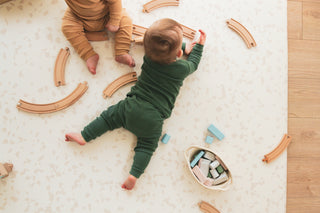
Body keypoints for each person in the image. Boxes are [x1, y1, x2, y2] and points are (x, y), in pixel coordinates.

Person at [65, 18, 206, 190]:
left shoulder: (148, 58)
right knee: (146, 147)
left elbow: (159, 48)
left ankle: (84, 135)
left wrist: (182, 46)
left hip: (131, 106)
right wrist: (198, 47)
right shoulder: (182, 68)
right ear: (178, 54)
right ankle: (134, 175)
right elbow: (194, 64)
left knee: (107, 119)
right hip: (154, 117)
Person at [61, 0, 135, 75]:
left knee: (125, 20)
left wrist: (114, 21)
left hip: (106, 14)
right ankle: (88, 54)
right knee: (67, 28)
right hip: (78, 16)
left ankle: (122, 51)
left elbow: (115, 2)